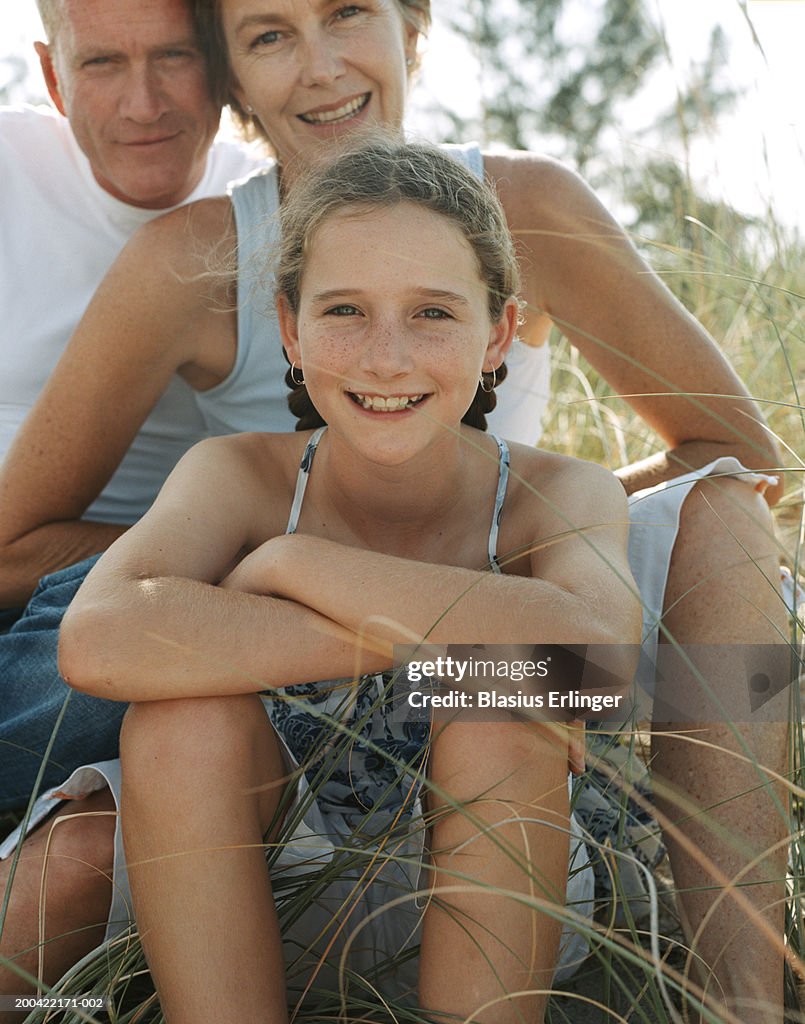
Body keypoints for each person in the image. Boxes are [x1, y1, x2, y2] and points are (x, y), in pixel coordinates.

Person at [0, 0, 789, 1018]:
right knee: (179, 723)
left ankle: (747, 989)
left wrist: (488, 563)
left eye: (349, 14)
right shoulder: (199, 290)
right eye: (270, 35)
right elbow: (52, 579)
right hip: (284, 644)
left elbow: (723, 465)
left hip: (492, 598)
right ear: (232, 74)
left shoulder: (527, 215)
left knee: (721, 514)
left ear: (416, 28)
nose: (321, 67)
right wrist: (287, 559)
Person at [3, 136, 640, 1024]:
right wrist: (439, 643)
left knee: (499, 722)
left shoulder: (554, 491)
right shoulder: (240, 476)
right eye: (345, 310)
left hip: (511, 895)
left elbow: (597, 665)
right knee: (182, 722)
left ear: (498, 334)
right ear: (291, 330)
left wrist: (295, 566)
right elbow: (98, 637)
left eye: (432, 314)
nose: (386, 358)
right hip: (267, 892)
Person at [0, 0, 266, 600]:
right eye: (101, 62)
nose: (143, 104)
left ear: (225, 65)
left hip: (150, 590)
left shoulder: (268, 213)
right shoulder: (8, 166)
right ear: (53, 78)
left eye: (175, 55)